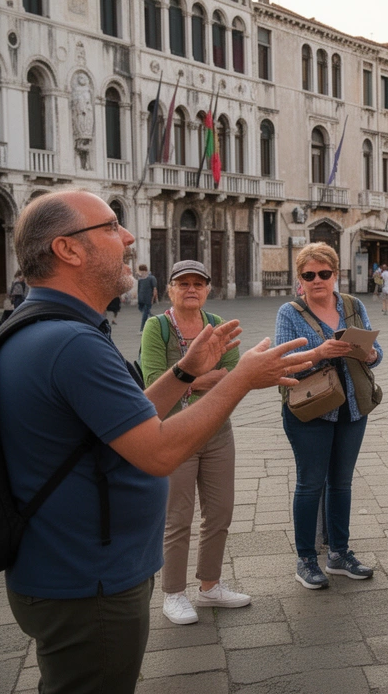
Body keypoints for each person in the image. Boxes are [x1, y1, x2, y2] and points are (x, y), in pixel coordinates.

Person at [0, 190, 309, 693]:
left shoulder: (54, 329)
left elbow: (132, 416)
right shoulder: (71, 343)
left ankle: (204, 585)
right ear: (68, 250)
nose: (128, 236)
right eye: (111, 227)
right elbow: (159, 450)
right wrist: (242, 377)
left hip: (74, 570)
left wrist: (185, 371)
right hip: (88, 580)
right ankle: (180, 589)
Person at [139, 259, 249, 624]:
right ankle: (173, 593)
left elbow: (231, 376)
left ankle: (210, 586)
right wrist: (203, 377)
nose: (191, 289)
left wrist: (186, 378)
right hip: (174, 434)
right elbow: (155, 381)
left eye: (198, 283)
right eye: (182, 283)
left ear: (207, 289)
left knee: (220, 511)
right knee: (178, 517)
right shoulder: (157, 328)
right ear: (169, 289)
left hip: (218, 431)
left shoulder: (217, 325)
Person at [276, 244, 383, 589]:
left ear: (336, 275)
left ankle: (339, 553)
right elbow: (284, 363)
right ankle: (306, 558)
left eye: (324, 274)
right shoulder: (289, 313)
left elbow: (377, 352)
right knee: (310, 484)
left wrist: (370, 354)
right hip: (311, 409)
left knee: (342, 483)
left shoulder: (352, 305)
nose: (317, 280)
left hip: (352, 406)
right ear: (300, 279)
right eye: (309, 275)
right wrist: (320, 353)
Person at [137, 264, 159, 329]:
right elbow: (139, 289)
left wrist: (153, 298)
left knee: (145, 314)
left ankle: (142, 328)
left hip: (148, 298)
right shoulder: (140, 279)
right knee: (144, 311)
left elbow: (154, 289)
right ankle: (155, 319)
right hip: (141, 299)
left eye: (140, 271)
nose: (140, 272)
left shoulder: (151, 278)